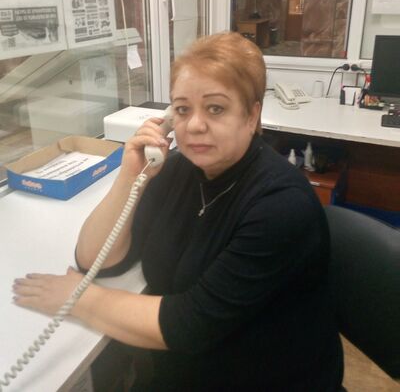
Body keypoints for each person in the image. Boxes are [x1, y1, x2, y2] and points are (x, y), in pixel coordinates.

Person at [13, 32, 343, 391]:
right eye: (183, 109)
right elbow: (96, 259)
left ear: (252, 116)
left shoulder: (281, 206)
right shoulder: (178, 170)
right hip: (189, 371)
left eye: (215, 108)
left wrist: (79, 299)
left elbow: (187, 325)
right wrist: (131, 174)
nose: (195, 125)